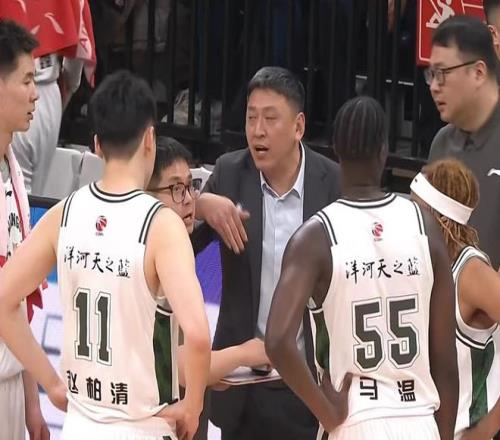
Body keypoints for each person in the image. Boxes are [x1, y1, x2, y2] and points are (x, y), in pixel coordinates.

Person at [0, 70, 211, 440]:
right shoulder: (162, 225)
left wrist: (52, 382)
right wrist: (192, 407)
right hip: (143, 425)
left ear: (96, 145)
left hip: (80, 424)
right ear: (150, 138)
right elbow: (197, 334)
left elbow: (4, 300)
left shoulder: (63, 213)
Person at [266, 96, 459, 440]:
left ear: (335, 149)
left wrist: (327, 411)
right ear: (384, 151)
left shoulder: (314, 237)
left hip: (354, 420)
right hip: (419, 418)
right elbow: (445, 362)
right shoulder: (424, 226)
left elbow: (279, 341)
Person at [194, 66, 341, 439]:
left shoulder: (333, 184)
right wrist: (199, 205)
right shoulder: (229, 174)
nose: (257, 130)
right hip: (242, 384)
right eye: (251, 117)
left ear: (298, 126)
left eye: (270, 118)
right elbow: (176, 241)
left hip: (310, 385)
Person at [410, 158, 500, 440]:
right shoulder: (421, 264)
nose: (408, 217)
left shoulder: (471, 273)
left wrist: (488, 427)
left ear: (441, 219)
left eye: (416, 208)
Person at [0, 19, 50, 440]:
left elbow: (21, 300)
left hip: (11, 380)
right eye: (27, 81)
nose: (36, 94)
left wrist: (33, 404)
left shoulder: (13, 167)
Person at [427, 15, 500, 270]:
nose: (434, 86)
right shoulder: (441, 144)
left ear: (478, 72)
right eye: (431, 74)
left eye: (443, 73)